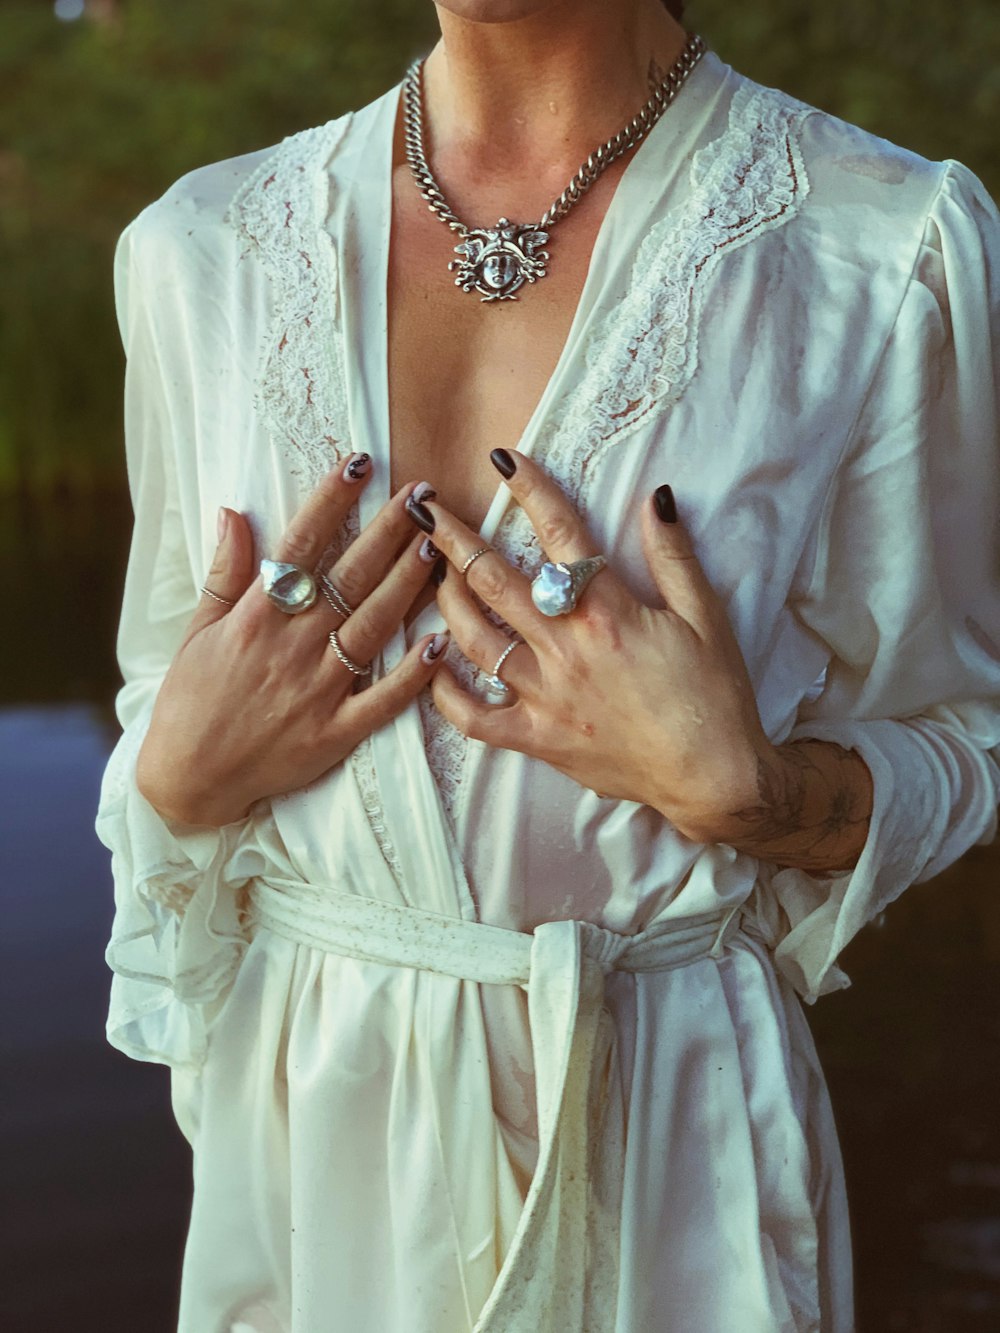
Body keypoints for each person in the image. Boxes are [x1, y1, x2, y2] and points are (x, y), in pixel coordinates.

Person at [96, 0, 1000, 1329]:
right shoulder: (199, 251)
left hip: (674, 1156)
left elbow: (966, 737)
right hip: (309, 1154)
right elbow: (154, 718)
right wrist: (174, 773)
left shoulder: (882, 247)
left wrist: (756, 795)